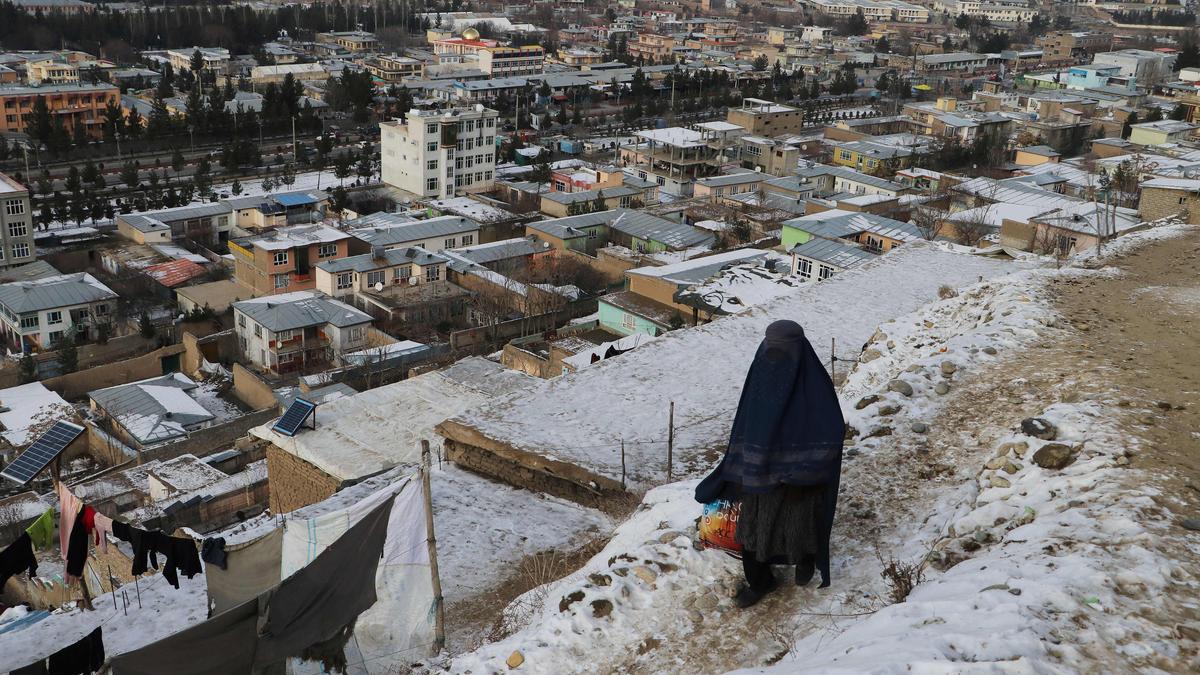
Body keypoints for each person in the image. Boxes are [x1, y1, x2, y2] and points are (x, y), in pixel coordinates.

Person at [695, 320, 845, 608]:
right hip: (759, 473)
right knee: (754, 530)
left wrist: (802, 464)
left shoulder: (812, 384)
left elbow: (832, 429)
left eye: (782, 348)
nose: (775, 353)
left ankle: (804, 561)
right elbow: (746, 423)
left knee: (799, 525)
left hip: (800, 480)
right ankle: (761, 581)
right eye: (771, 346)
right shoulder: (762, 372)